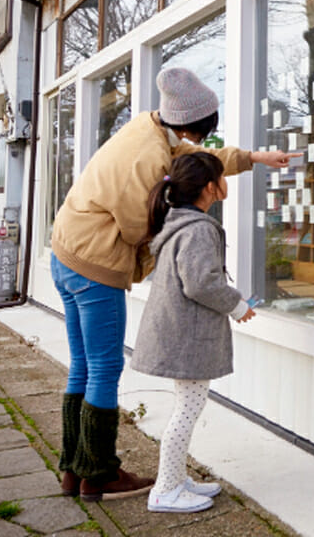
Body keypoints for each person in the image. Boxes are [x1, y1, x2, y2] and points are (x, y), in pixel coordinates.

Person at [51, 68, 295, 502]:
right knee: (104, 367)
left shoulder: (149, 128)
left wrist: (255, 158)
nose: (201, 142)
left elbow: (197, 156)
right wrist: (176, 242)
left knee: (83, 365)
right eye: (203, 134)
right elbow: (134, 229)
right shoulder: (146, 159)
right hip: (94, 262)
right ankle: (99, 474)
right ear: (191, 123)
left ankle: (74, 471)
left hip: (65, 253)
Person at [131, 152, 255, 514]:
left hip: (178, 333)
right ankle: (165, 489)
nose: (226, 181)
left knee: (186, 408)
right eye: (221, 175)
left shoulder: (180, 223)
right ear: (210, 187)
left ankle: (174, 478)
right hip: (187, 337)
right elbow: (201, 283)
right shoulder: (198, 228)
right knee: (187, 411)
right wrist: (237, 306)